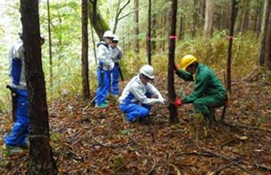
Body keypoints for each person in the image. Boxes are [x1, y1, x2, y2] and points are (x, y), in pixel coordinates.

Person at [3, 30, 45, 156]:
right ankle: (9, 145)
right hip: (20, 88)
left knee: (28, 117)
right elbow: (21, 52)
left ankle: (21, 141)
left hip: (24, 87)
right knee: (24, 120)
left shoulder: (21, 46)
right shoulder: (20, 47)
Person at [174, 54, 226, 127]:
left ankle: (210, 122)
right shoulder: (199, 69)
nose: (186, 70)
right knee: (201, 99)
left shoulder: (203, 74)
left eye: (187, 69)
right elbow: (188, 77)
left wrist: (182, 101)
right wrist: (177, 71)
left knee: (198, 102)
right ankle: (210, 118)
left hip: (218, 97)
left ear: (193, 65)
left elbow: (195, 95)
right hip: (212, 94)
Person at [95, 31, 115, 108]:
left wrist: (111, 64)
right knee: (102, 85)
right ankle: (99, 102)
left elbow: (108, 57)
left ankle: (102, 100)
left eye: (111, 39)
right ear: (105, 38)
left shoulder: (107, 46)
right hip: (102, 69)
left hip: (106, 69)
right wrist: (109, 63)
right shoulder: (102, 46)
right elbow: (101, 58)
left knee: (106, 85)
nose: (110, 41)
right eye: (109, 39)